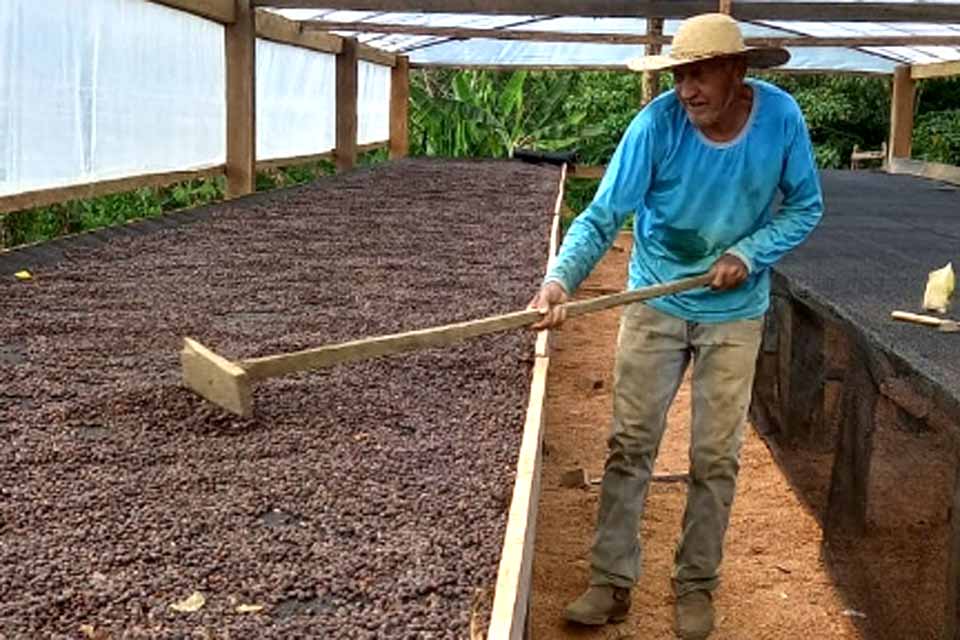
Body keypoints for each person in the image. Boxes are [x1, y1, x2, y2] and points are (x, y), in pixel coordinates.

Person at [527, 13, 824, 640]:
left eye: (700, 75)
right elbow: (604, 214)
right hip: (656, 299)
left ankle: (696, 584)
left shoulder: (779, 119)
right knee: (630, 444)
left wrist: (748, 253)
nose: (687, 89)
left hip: (735, 313)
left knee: (715, 456)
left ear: (737, 72)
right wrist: (560, 281)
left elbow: (805, 206)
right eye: (680, 75)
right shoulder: (656, 125)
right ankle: (610, 582)